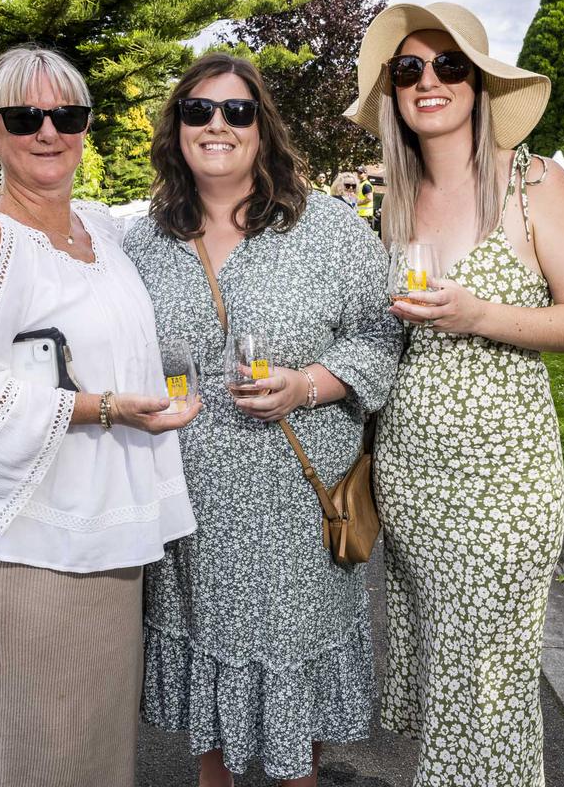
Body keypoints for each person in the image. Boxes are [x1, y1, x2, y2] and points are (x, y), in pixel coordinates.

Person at [345, 1, 564, 787]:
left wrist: (481, 315)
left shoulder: (532, 181)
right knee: (450, 677)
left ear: (479, 81)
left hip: (504, 481)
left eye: (447, 65)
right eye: (408, 70)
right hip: (412, 478)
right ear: (393, 92)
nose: (428, 81)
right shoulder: (395, 198)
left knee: (488, 683)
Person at [0, 44, 199, 787]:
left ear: (86, 125)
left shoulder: (101, 232)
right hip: (28, 547)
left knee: (95, 757)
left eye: (65, 114)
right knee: (35, 759)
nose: (48, 131)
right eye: (24, 116)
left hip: (107, 538)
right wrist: (103, 408)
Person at [123, 53, 400, 787]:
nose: (217, 125)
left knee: (291, 698)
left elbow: (381, 334)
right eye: (198, 111)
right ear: (177, 128)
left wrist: (307, 384)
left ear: (261, 126)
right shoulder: (143, 243)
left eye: (236, 112)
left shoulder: (326, 230)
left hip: (292, 513)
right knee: (211, 692)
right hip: (192, 511)